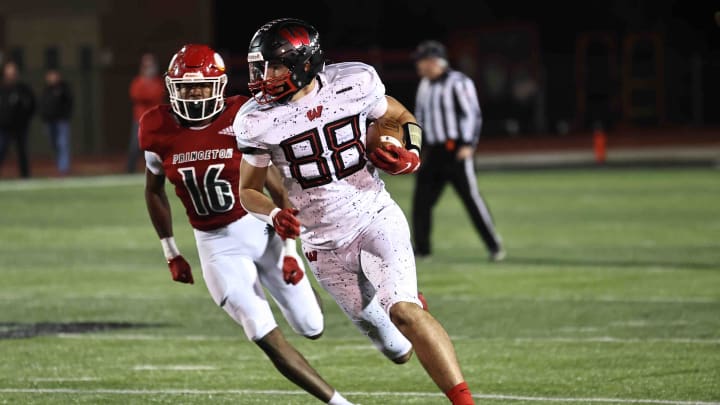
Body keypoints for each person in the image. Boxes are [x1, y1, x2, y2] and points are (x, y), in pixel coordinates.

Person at [234, 18, 475, 405]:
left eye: (275, 65)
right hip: (323, 247)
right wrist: (273, 214)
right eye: (261, 65)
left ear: (304, 64)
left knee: (404, 312)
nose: (265, 75)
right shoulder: (255, 119)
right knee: (398, 350)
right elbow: (248, 189)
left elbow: (397, 116)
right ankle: (407, 302)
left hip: (373, 216)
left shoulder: (354, 81)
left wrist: (410, 153)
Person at [140, 44, 353, 405]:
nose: (193, 95)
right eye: (186, 87)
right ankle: (338, 403)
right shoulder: (156, 126)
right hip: (215, 245)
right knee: (261, 329)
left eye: (201, 87)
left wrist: (289, 250)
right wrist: (171, 252)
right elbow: (153, 190)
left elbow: (277, 182)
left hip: (260, 229)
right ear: (172, 87)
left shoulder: (243, 113)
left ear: (219, 86)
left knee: (311, 326)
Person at [411, 40, 505, 261]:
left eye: (422, 61)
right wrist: (420, 148)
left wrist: (468, 145)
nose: (419, 66)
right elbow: (420, 118)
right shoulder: (424, 85)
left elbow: (472, 114)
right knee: (421, 201)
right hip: (434, 151)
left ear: (434, 61)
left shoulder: (459, 82)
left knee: (471, 199)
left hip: (455, 150)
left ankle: (494, 245)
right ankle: (423, 249)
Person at [128, 52, 165, 173]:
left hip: (155, 119)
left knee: (158, 146)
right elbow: (136, 94)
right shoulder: (138, 81)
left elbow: (158, 94)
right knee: (135, 145)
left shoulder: (158, 81)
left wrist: (148, 91)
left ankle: (158, 169)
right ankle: (130, 170)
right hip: (140, 118)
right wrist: (147, 88)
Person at [0, 61, 36, 178]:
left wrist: (26, 119)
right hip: (3, 126)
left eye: (13, 72)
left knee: (22, 151)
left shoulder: (23, 89)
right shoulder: (2, 88)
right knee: (1, 149)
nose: (11, 75)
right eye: (9, 73)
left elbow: (32, 105)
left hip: (20, 126)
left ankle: (25, 175)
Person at [39, 68, 74, 176]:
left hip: (61, 121)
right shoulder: (46, 90)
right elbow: (42, 105)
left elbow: (69, 102)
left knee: (62, 144)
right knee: (55, 145)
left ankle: (63, 169)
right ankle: (60, 166)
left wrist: (66, 115)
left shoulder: (63, 88)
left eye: (54, 75)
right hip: (49, 122)